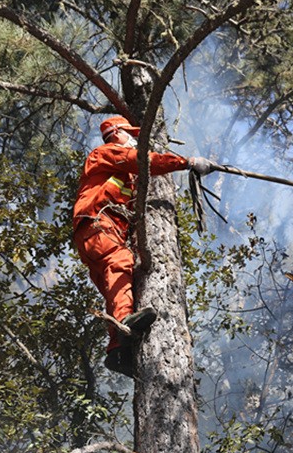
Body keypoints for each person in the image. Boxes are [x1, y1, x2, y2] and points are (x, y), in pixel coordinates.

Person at [72, 116, 214, 376]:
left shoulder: (123, 177)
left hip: (95, 235)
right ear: (117, 132)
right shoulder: (106, 153)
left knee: (115, 286)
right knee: (121, 261)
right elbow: (144, 161)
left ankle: (118, 350)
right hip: (98, 226)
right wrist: (188, 162)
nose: (135, 141)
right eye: (131, 135)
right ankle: (124, 322)